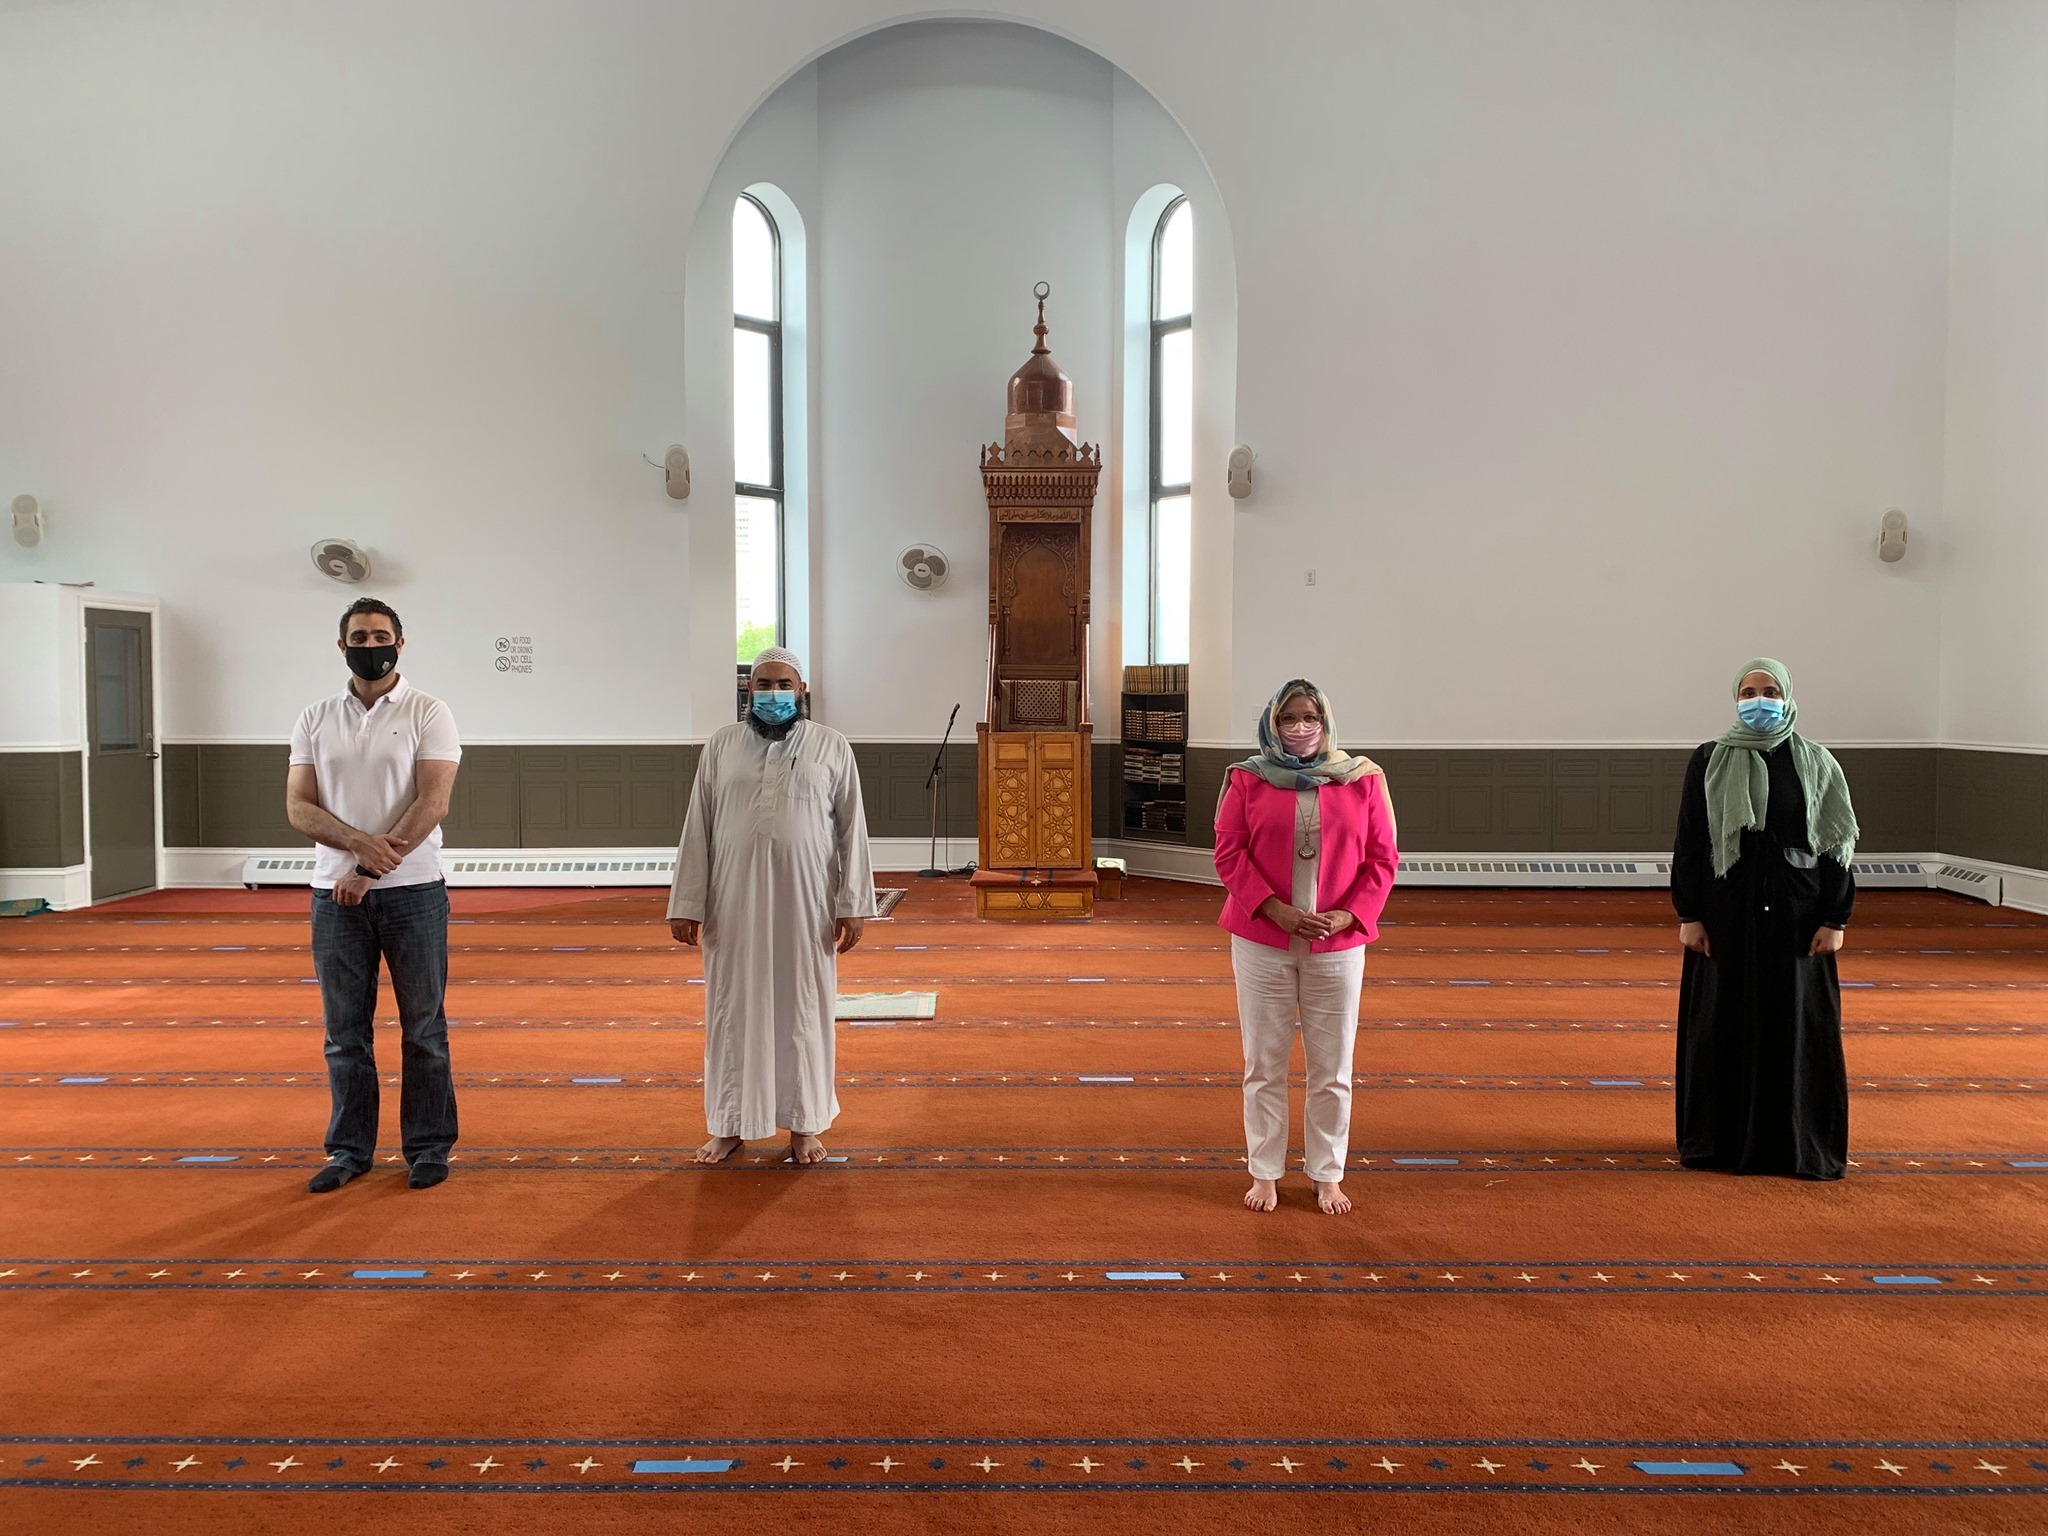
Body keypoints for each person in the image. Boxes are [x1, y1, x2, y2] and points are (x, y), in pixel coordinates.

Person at [668, 647, 877, 1166]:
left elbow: (851, 830)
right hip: (731, 900)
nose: (774, 693)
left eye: (785, 684)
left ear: (802, 691)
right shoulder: (722, 746)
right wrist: (687, 901)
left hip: (806, 901)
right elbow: (698, 826)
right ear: (749, 690)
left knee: (803, 1007)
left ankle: (804, 1124)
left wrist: (852, 903)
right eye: (764, 684)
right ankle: (730, 1123)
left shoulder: (831, 746)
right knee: (731, 1010)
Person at [285, 599, 462, 1193]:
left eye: (380, 636)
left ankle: (429, 1147)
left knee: (423, 1030)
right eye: (359, 637)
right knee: (344, 1034)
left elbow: (433, 802)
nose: (370, 645)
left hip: (414, 892)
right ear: (342, 646)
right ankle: (349, 1150)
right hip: (332, 898)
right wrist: (357, 845)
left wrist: (368, 868)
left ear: (399, 643)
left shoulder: (428, 711)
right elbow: (299, 806)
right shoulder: (314, 717)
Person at [1214, 679, 1399, 1215]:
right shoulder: (1247, 777)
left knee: (1333, 1067)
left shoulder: (1363, 778)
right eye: (1289, 718)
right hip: (1262, 939)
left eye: (1309, 717)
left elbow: (1383, 859)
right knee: (1263, 1063)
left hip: (1338, 943)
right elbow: (1228, 853)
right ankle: (1265, 1171)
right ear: (1272, 724)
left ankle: (1327, 1174)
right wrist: (1276, 910)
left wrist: (1347, 915)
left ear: (1325, 721)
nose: (1300, 727)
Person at [1672, 657, 1859, 1180]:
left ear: (1788, 696)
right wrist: (1690, 914)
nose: (1760, 700)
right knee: (1723, 1025)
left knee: (1793, 1027)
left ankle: (1795, 1144)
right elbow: (1691, 841)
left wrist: (1836, 918)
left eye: (1770, 691)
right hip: (1725, 916)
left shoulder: (1816, 761)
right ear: (1736, 698)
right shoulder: (1709, 759)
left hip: (1797, 919)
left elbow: (1837, 846)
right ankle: (1719, 1144)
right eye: (1749, 691)